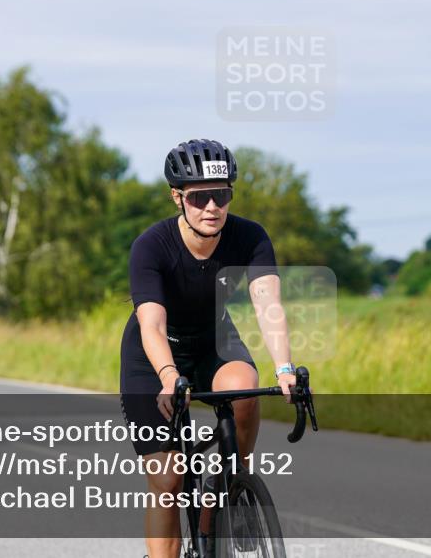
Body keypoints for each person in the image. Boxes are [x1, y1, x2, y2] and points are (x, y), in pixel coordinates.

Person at [119, 138, 296, 558]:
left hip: (213, 337)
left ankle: (232, 483)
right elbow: (152, 323)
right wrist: (167, 376)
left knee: (245, 388)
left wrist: (285, 368)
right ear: (177, 198)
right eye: (200, 198)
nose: (212, 207)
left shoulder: (249, 237)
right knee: (168, 480)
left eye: (221, 195)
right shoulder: (152, 245)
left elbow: (268, 304)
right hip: (154, 355)